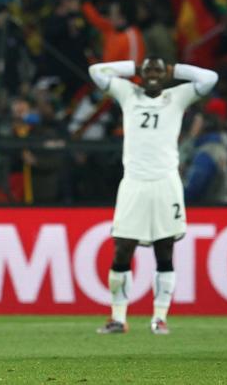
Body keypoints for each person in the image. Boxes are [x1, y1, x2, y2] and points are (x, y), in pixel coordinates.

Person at [89, 56, 218, 335]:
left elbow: (210, 78)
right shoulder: (128, 92)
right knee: (122, 247)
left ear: (166, 74)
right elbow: (96, 72)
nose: (152, 74)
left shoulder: (177, 95)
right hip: (133, 183)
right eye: (148, 70)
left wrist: (177, 70)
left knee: (164, 249)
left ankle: (159, 317)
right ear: (140, 73)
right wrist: (132, 69)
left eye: (158, 70)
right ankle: (118, 318)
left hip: (165, 182)